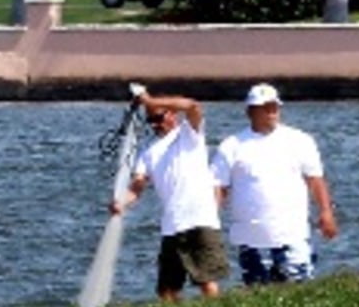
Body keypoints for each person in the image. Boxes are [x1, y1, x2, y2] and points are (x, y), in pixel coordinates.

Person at [212, 83, 338, 285]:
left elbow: (315, 179)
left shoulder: (299, 140)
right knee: (257, 294)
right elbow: (219, 186)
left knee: (298, 290)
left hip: (292, 233)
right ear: (250, 111)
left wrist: (326, 212)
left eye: (274, 106)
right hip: (250, 238)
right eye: (265, 107)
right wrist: (211, 221)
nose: (271, 112)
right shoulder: (231, 146)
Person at [110, 88, 229, 300]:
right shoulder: (148, 153)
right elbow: (137, 187)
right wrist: (121, 203)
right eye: (151, 121)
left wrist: (150, 100)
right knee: (166, 291)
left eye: (159, 117)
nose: (155, 125)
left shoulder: (189, 134)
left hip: (200, 220)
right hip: (171, 227)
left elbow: (192, 105)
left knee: (207, 282)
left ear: (172, 114)